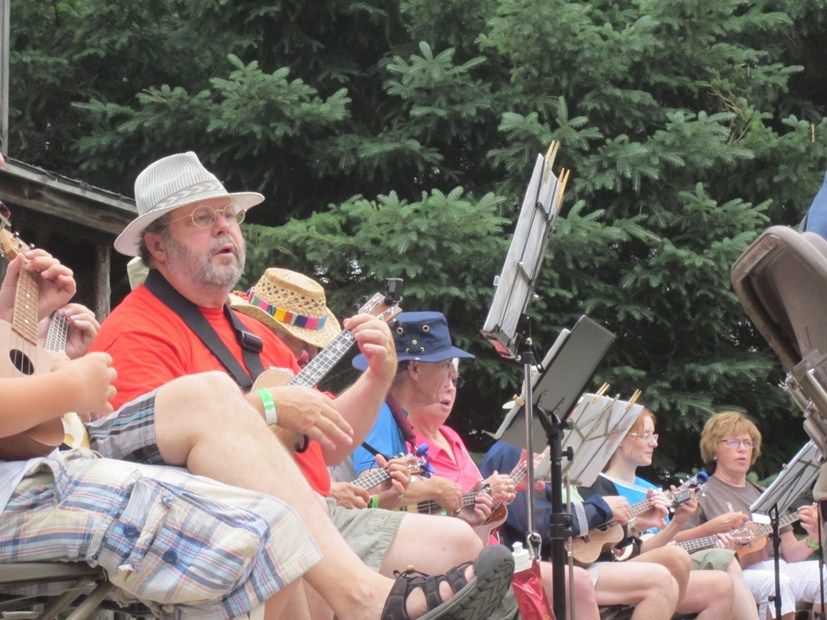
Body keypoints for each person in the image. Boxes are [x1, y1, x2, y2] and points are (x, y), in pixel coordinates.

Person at [85, 151, 506, 617]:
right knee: (292, 564)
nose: (224, 227)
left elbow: (331, 443)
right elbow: (144, 466)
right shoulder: (136, 332)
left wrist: (378, 377)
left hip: (313, 516)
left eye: (229, 214)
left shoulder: (255, 333)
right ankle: (361, 597)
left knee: (459, 544)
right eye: (202, 218)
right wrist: (269, 406)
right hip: (233, 530)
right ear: (157, 245)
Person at [230, 267, 410, 509]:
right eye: (305, 342)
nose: (313, 353)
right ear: (273, 333)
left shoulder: (304, 386)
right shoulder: (228, 360)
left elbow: (334, 444)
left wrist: (378, 375)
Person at [480, 440, 690, 619]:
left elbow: (590, 537)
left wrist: (636, 524)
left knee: (676, 558)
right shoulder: (514, 449)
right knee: (660, 581)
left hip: (583, 560)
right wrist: (602, 508)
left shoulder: (565, 459)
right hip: (548, 566)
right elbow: (538, 522)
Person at [588, 407, 756, 619]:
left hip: (656, 561)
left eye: (654, 435)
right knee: (682, 558)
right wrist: (637, 524)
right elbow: (602, 545)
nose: (654, 443)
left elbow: (662, 543)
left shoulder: (653, 491)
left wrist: (677, 522)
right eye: (646, 435)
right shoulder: (596, 484)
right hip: (618, 566)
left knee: (721, 584)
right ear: (619, 439)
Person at [350, 311, 506, 525]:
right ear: (415, 369)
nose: (451, 375)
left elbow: (393, 503)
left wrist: (459, 511)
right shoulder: (379, 411)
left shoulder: (392, 414)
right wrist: (436, 488)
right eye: (445, 364)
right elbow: (372, 487)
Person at [679, 410, 826, 619]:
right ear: (713, 449)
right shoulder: (701, 492)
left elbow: (791, 553)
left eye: (747, 443)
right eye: (732, 442)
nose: (742, 449)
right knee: (778, 584)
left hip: (777, 567)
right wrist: (717, 536)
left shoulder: (767, 495)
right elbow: (678, 542)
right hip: (732, 571)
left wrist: (814, 538)